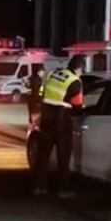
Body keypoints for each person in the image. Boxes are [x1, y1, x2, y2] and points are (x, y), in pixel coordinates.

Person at [34, 55, 85, 198]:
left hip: (46, 118)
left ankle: (39, 187)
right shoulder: (75, 81)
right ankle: (63, 190)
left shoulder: (53, 75)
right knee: (63, 157)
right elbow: (77, 105)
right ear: (79, 69)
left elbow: (42, 93)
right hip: (62, 121)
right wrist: (82, 113)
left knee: (43, 156)